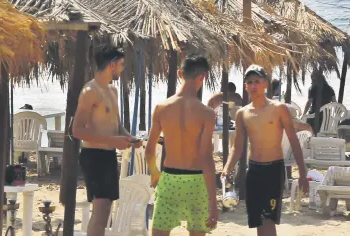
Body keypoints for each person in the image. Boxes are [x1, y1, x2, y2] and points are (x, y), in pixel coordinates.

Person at [222, 65, 309, 236]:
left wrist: (303, 173)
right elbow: (237, 146)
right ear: (245, 85)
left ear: (265, 84)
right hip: (254, 170)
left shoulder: (278, 109)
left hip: (273, 170)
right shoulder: (242, 113)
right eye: (249, 82)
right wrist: (227, 167)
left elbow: (293, 140)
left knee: (268, 219)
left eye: (257, 81)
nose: (253, 86)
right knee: (258, 220)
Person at [145, 56, 219, 236]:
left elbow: (149, 150)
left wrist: (155, 173)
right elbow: (206, 158)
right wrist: (213, 202)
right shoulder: (207, 114)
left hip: (170, 178)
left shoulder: (161, 108)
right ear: (204, 77)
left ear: (180, 74)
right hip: (197, 181)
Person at [71, 44, 139, 236]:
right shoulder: (89, 91)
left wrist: (129, 137)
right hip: (93, 155)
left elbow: (117, 126)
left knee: (106, 210)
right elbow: (76, 131)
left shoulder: (112, 91)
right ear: (112, 65)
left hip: (108, 156)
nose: (122, 69)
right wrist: (112, 141)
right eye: (121, 65)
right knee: (100, 211)